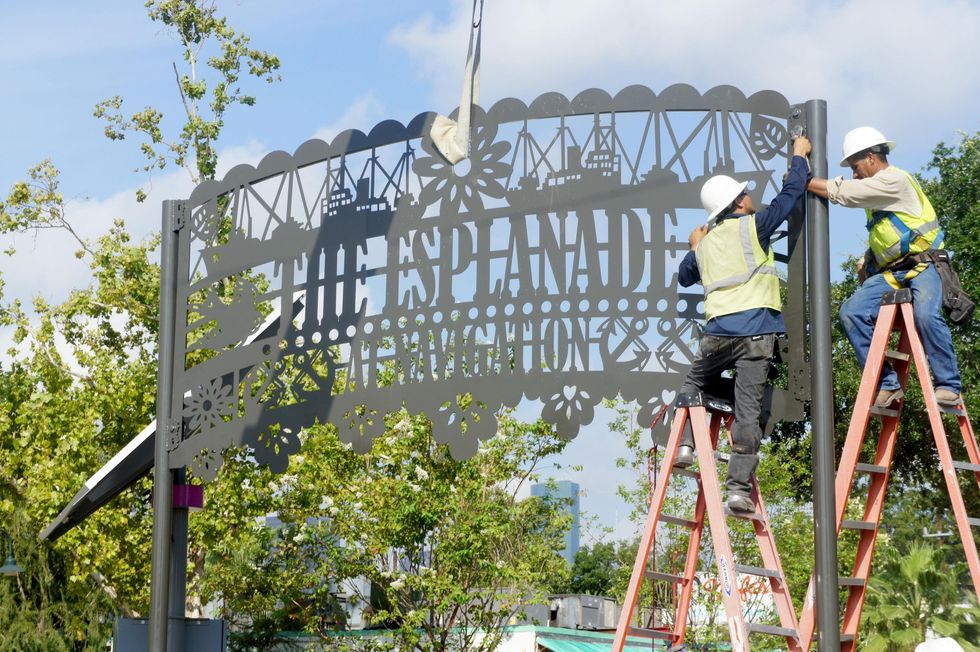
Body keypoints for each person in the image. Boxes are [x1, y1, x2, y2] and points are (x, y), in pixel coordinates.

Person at [674, 135, 812, 513]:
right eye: (746, 193)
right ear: (738, 203)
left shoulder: (706, 244)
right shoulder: (754, 226)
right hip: (756, 333)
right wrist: (799, 156)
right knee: (748, 411)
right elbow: (791, 194)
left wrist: (695, 246)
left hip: (717, 335)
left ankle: (684, 444)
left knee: (692, 385)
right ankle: (737, 491)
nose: (751, 197)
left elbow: (685, 276)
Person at [807, 127, 961, 408]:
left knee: (926, 315)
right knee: (851, 312)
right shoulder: (878, 194)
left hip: (925, 265)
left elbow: (845, 193)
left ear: (870, 157)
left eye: (855, 167)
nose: (854, 174)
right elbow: (894, 234)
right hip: (893, 273)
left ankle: (949, 385)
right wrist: (869, 258)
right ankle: (887, 384)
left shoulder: (894, 180)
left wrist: (804, 181)